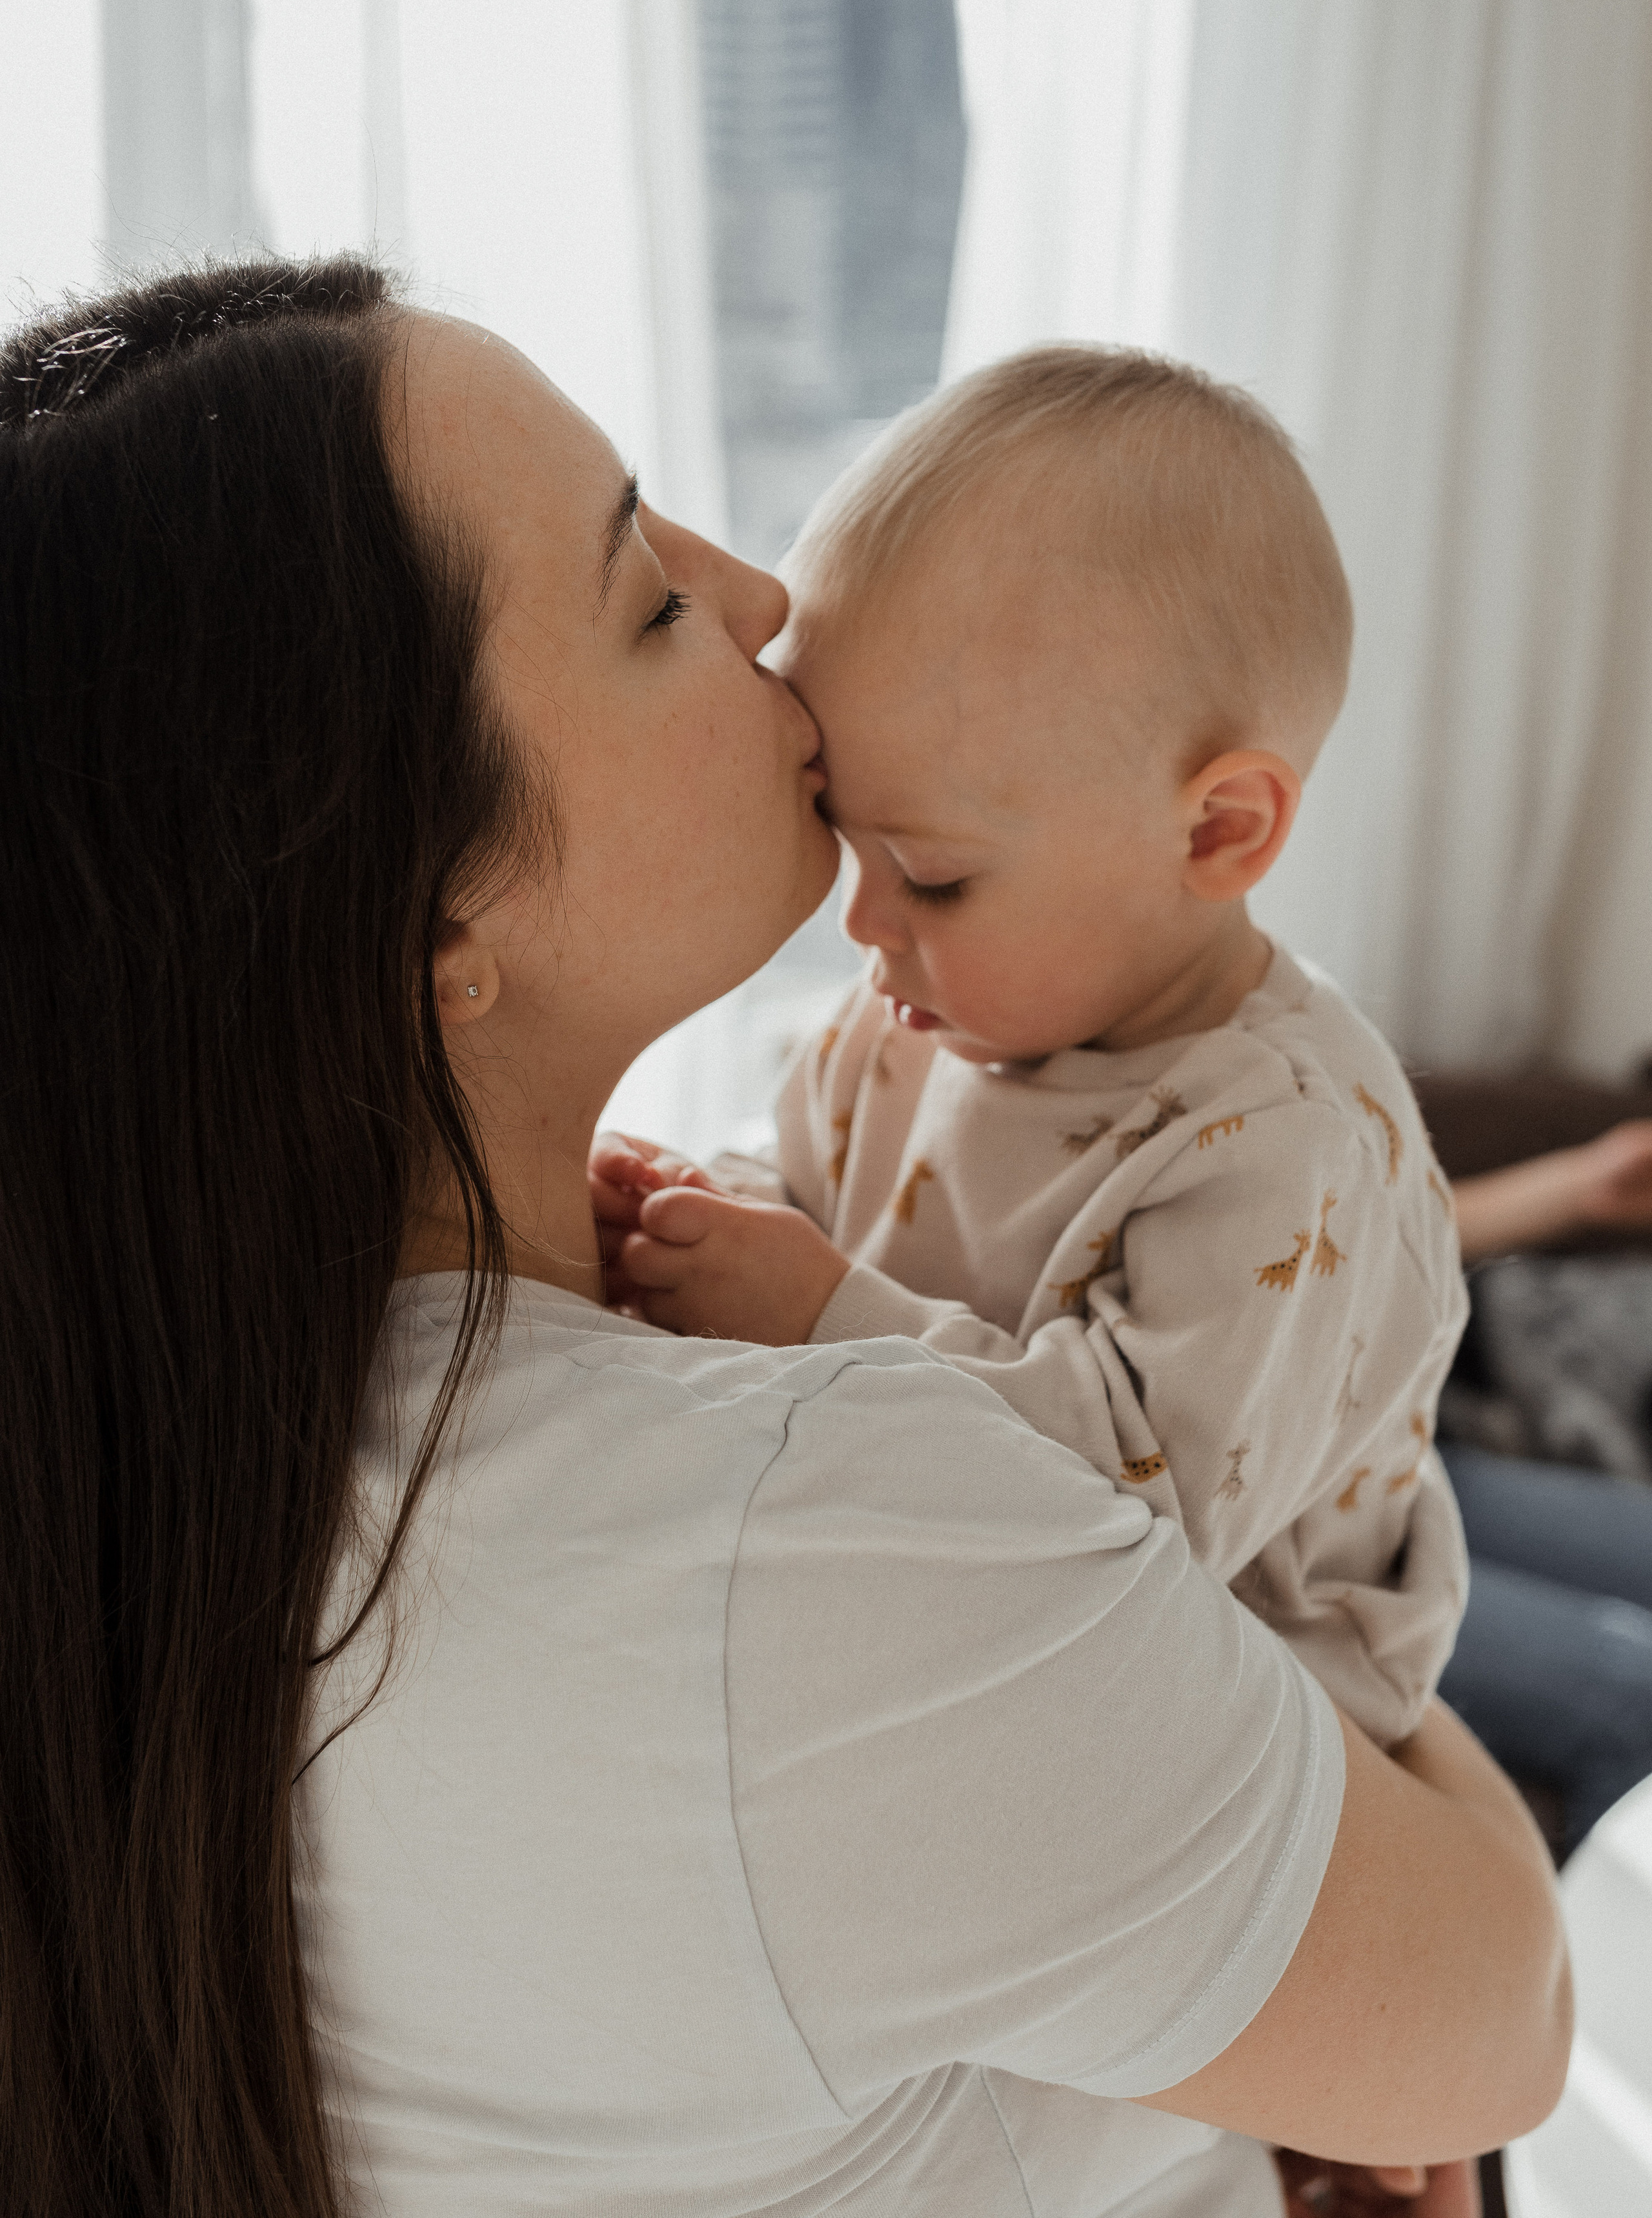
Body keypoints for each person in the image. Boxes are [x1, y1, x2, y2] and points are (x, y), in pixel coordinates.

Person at [0, 265, 1567, 2218]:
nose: (759, 601)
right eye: (646, 594)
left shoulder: (183, 1426)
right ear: (423, 925)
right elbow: (1499, 2013)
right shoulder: (797, 1530)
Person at [598, 346, 1466, 1755]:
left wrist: (820, 1312)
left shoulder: (1281, 1143)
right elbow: (813, 1192)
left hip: (1247, 1728)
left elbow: (1131, 1522)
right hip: (975, 1613)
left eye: (931, 876)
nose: (863, 920)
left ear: (1216, 833)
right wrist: (703, 1216)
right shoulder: (917, 1012)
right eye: (848, 841)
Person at [1438, 1122, 1652, 1852]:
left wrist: (1581, 1186)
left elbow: (1367, 1234)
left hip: (1400, 1458)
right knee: (1637, 1701)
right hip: (1263, 1531)